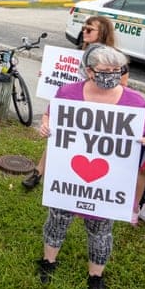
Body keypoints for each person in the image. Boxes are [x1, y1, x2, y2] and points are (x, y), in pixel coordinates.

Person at [37, 45, 145, 289]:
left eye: (117, 70)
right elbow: (50, 116)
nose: (112, 75)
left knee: (101, 229)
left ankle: (96, 276)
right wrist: (45, 125)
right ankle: (48, 261)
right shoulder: (68, 93)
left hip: (108, 182)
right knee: (58, 219)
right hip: (68, 175)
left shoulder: (134, 101)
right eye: (105, 70)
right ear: (89, 71)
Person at [22, 16, 129, 191]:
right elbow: (73, 77)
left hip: (100, 110)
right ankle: (39, 173)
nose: (84, 32)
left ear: (102, 32)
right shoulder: (86, 51)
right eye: (83, 28)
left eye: (89, 30)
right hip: (77, 105)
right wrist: (49, 75)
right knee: (58, 137)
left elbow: (123, 85)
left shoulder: (114, 58)